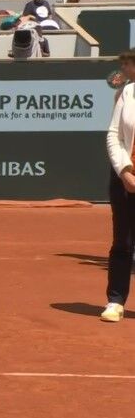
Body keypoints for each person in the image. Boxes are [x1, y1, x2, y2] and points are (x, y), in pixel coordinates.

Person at [102, 48, 135, 323]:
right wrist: (125, 171)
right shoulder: (127, 93)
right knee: (122, 241)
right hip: (126, 178)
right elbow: (114, 134)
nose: (124, 68)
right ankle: (115, 301)